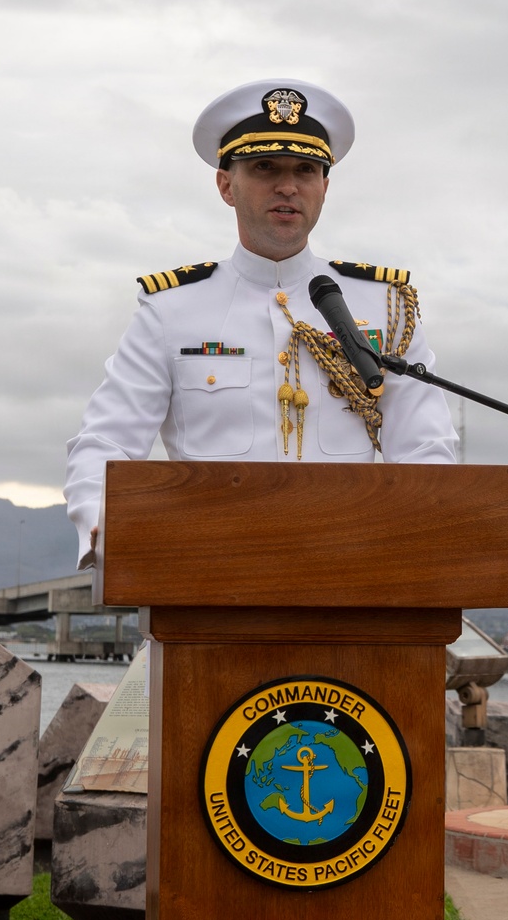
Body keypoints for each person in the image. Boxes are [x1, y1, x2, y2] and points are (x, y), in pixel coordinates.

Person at [64, 79, 457, 567]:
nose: (288, 186)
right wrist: (105, 519)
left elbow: (425, 449)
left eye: (306, 170)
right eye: (265, 167)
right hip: (207, 573)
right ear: (226, 185)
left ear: (324, 188)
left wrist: (429, 540)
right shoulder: (171, 312)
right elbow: (107, 440)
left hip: (351, 570)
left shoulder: (384, 309)